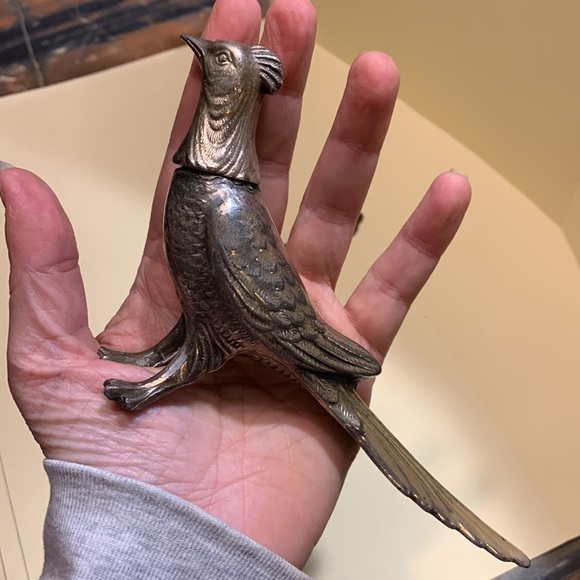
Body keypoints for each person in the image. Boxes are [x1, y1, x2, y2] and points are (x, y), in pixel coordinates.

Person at [0, 0, 471, 577]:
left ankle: (159, 379)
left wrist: (148, 393)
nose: (206, 58)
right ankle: (158, 365)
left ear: (231, 89)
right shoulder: (204, 189)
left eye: (218, 60)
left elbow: (221, 333)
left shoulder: (223, 205)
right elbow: (203, 319)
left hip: (272, 333)